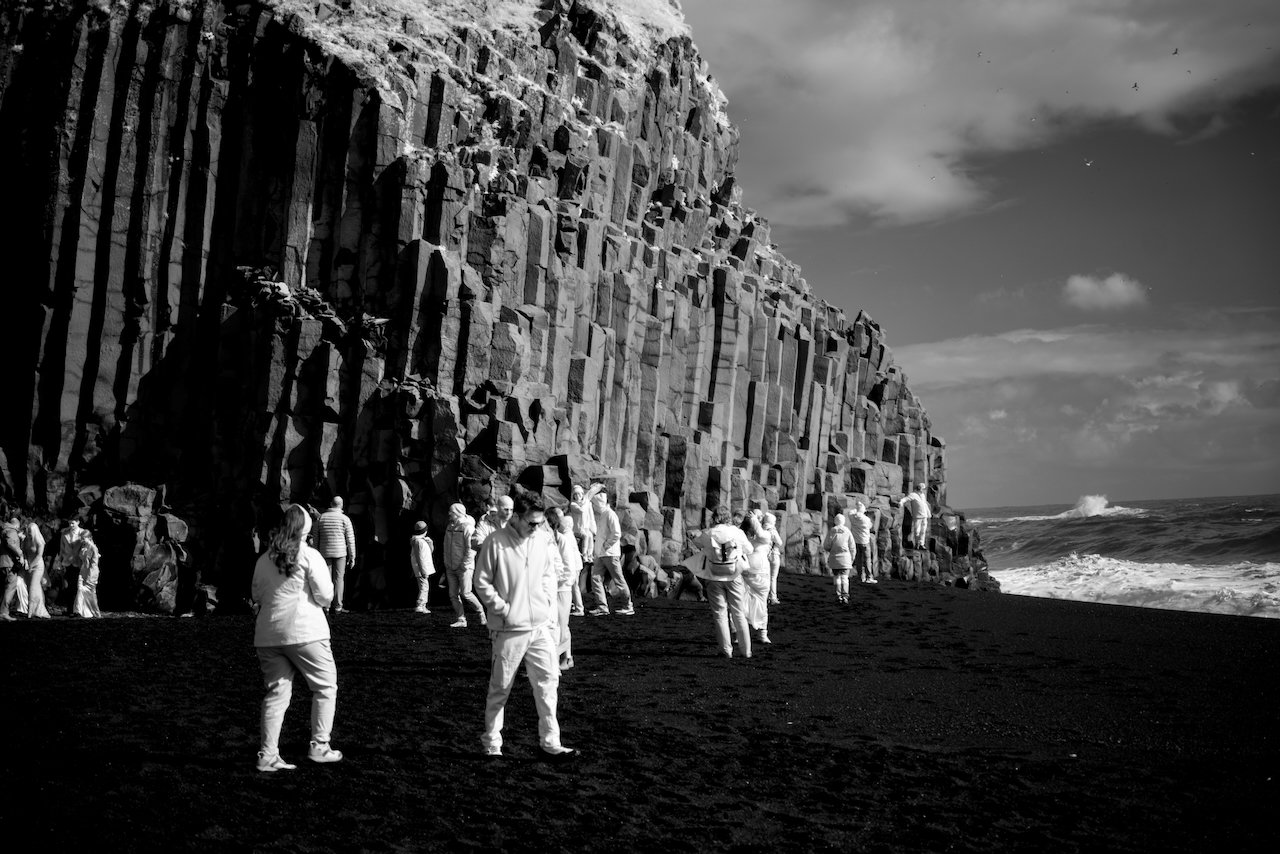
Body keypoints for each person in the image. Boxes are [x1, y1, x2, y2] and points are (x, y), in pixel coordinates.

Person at [473, 490, 576, 760]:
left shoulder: (540, 540)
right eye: (532, 522)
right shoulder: (495, 543)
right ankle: (492, 742)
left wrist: (548, 612)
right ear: (516, 517)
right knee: (500, 688)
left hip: (540, 626)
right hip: (509, 629)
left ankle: (550, 742)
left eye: (540, 523)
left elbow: (548, 575)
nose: (536, 528)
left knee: (548, 682)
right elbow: (481, 581)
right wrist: (503, 609)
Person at [251, 504, 343, 772]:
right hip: (306, 632)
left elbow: (256, 595)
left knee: (277, 693)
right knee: (325, 687)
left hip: (268, 634)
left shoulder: (264, 558)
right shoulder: (310, 555)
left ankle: (267, 755)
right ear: (306, 528)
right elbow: (326, 595)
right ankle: (320, 746)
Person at [686, 506, 752, 658]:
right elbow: (748, 549)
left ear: (714, 517)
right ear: (728, 517)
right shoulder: (737, 532)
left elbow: (697, 544)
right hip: (734, 575)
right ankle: (746, 651)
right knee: (739, 613)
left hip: (713, 576)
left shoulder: (709, 533)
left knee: (720, 614)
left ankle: (726, 650)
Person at [545, 506, 583, 671]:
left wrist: (557, 582)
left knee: (562, 624)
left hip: (562, 589)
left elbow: (569, 568)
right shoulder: (546, 540)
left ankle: (566, 658)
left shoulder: (563, 540)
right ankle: (555, 658)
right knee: (552, 625)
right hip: (550, 588)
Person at [588, 490, 634, 616]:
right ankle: (602, 607)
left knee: (618, 579)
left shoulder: (610, 514)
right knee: (596, 578)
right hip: (602, 553)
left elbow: (617, 533)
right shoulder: (603, 515)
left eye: (594, 504)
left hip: (610, 553)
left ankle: (628, 605)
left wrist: (606, 545)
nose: (593, 506)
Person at [443, 503, 485, 628]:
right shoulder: (450, 526)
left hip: (464, 567)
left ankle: (481, 612)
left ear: (457, 513)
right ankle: (461, 619)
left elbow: (471, 548)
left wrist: (464, 565)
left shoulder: (467, 528)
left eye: (451, 512)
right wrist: (446, 562)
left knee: (466, 593)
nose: (449, 514)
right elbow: (445, 546)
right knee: (453, 595)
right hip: (450, 566)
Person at [315, 497, 356, 613]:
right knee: (339, 579)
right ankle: (338, 606)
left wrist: (316, 553)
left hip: (324, 552)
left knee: (325, 579)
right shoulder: (345, 519)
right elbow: (350, 540)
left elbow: (316, 538)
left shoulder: (321, 518)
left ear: (330, 504)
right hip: (340, 553)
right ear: (341, 505)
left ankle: (326, 605)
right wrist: (352, 556)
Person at [567, 484, 600, 616]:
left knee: (589, 536)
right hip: (578, 529)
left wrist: (594, 528)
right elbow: (581, 510)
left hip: (586, 528)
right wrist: (587, 497)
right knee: (585, 536)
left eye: (579, 494)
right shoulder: (573, 505)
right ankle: (585, 554)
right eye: (575, 495)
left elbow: (590, 515)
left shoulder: (587, 503)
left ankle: (588, 554)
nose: (577, 496)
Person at [740, 509, 773, 644]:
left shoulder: (765, 534)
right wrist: (754, 520)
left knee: (759, 601)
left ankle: (762, 634)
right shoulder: (745, 533)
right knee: (742, 600)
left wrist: (753, 520)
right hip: (748, 570)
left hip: (759, 572)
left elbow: (761, 534)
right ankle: (741, 634)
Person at [0, 514, 27, 621]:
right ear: (17, 525)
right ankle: (3, 612)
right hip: (9, 563)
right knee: (10, 587)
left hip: (2, 562)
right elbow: (11, 543)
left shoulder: (3, 531)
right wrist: (20, 553)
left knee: (3, 588)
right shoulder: (11, 531)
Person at [22, 516, 50, 619]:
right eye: (27, 531)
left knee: (33, 588)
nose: (28, 533)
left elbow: (39, 556)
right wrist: (25, 562)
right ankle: (39, 610)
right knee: (35, 589)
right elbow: (24, 552)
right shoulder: (26, 540)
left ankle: (30, 611)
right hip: (28, 565)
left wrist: (31, 566)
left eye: (30, 531)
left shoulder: (39, 541)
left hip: (37, 566)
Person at [824, 514, 855, 604]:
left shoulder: (832, 531)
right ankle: (845, 596)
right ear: (844, 521)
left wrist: (831, 550)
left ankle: (838, 595)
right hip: (846, 558)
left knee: (837, 577)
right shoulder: (847, 531)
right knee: (845, 577)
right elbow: (852, 546)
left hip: (834, 558)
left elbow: (826, 545)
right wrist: (852, 558)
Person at [72, 532, 103, 618]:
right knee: (80, 589)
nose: (82, 540)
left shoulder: (93, 548)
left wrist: (90, 575)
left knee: (90, 593)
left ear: (89, 538)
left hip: (91, 572)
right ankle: (79, 610)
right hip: (83, 570)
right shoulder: (84, 547)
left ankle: (95, 612)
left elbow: (94, 564)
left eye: (83, 538)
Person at [409, 521, 435, 614]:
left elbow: (429, 552)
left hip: (422, 567)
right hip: (421, 567)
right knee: (424, 587)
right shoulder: (418, 541)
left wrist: (430, 543)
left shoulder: (421, 540)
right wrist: (423, 570)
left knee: (424, 586)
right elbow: (419, 557)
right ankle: (420, 605)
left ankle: (423, 605)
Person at [848, 501, 875, 584]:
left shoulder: (852, 517)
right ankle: (869, 577)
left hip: (856, 542)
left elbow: (850, 512)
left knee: (858, 560)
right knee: (867, 559)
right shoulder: (866, 519)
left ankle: (860, 576)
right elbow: (871, 526)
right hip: (865, 541)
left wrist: (857, 508)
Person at [763, 512, 783, 605]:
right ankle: (773, 597)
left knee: (766, 576)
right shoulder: (772, 530)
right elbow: (779, 542)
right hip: (774, 554)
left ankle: (765, 596)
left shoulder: (762, 529)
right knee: (773, 577)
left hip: (765, 555)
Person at [904, 483, 931, 550]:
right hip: (917, 516)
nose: (924, 490)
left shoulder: (922, 495)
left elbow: (925, 505)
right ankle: (917, 544)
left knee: (923, 531)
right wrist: (901, 502)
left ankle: (922, 544)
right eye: (923, 488)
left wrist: (928, 513)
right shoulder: (913, 495)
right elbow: (906, 499)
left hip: (924, 516)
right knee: (917, 531)